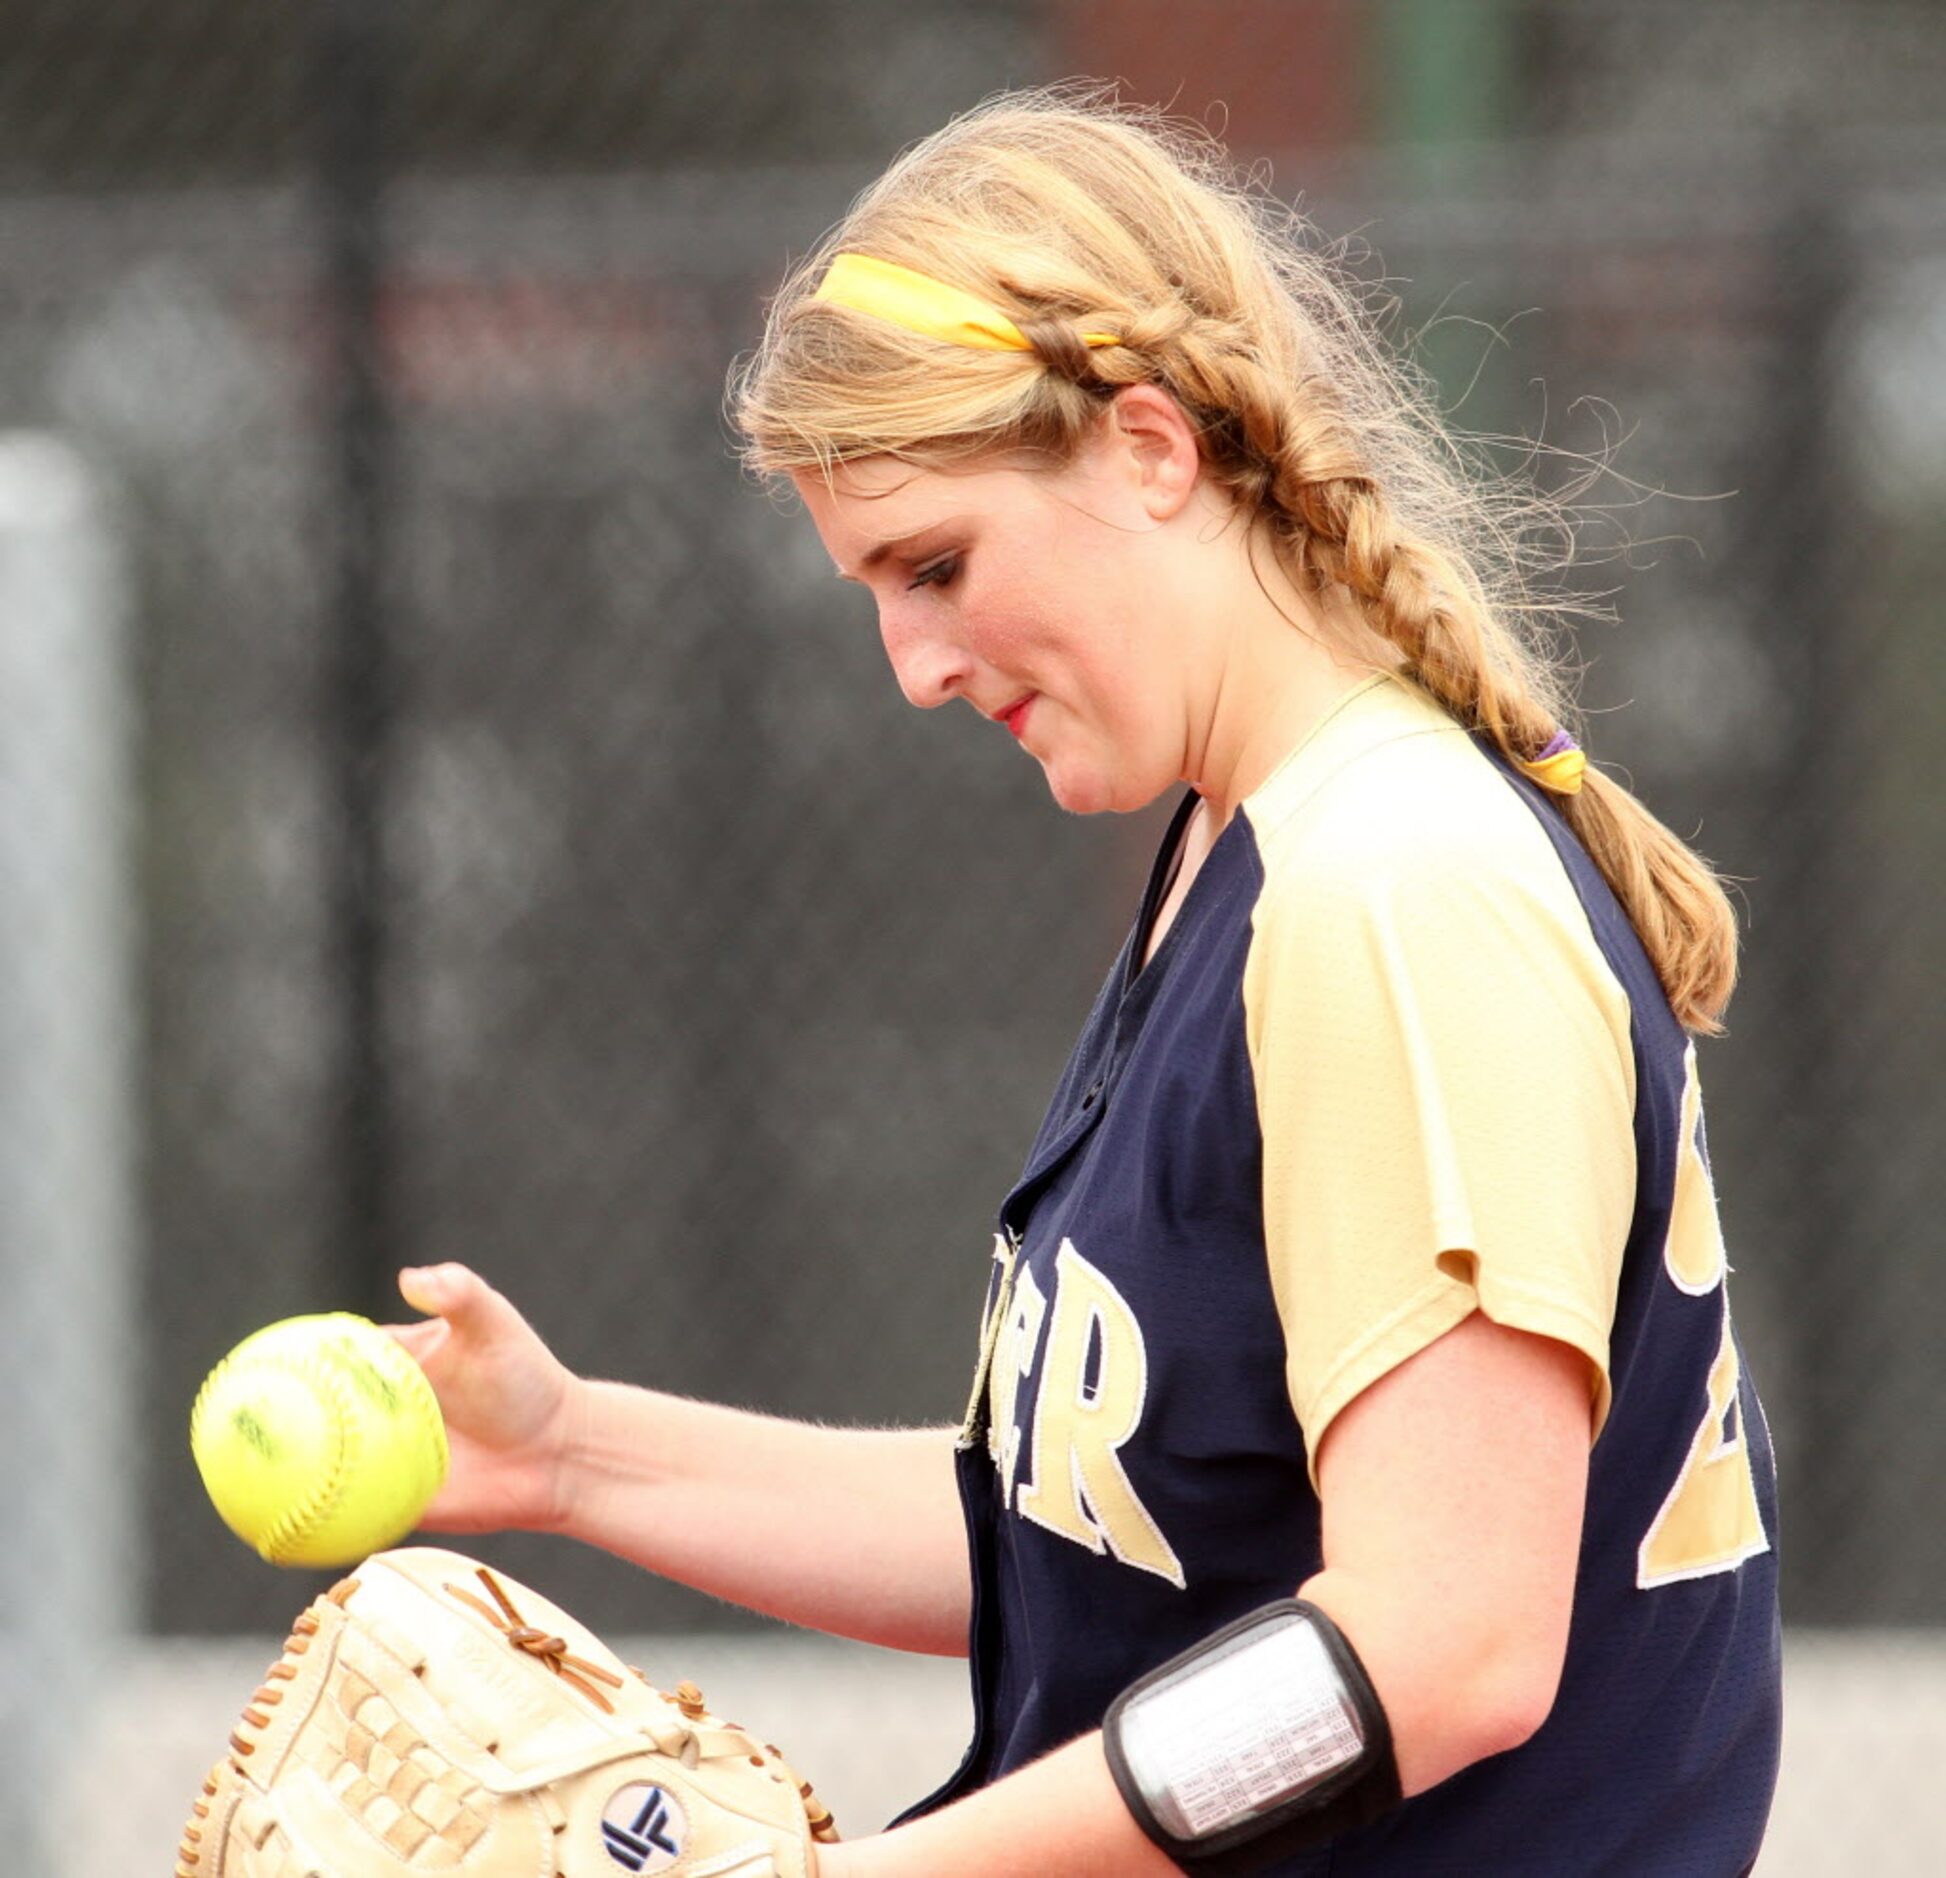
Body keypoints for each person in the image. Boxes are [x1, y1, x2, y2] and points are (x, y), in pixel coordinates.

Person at [391, 88, 1781, 1874]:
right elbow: (1089, 1544)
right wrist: (578, 1454)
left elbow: (1438, 1646)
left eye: (938, 565)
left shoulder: (1390, 885)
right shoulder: (1248, 847)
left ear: (1148, 448)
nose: (911, 664)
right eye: (874, 593)